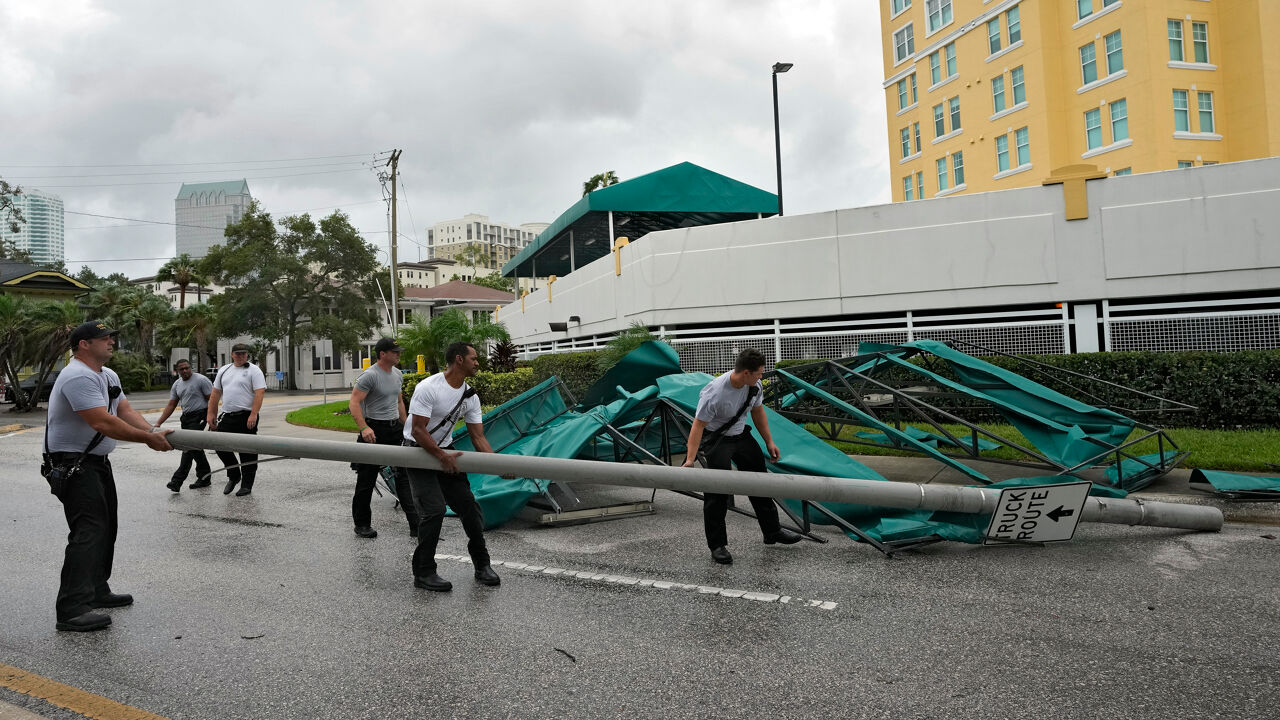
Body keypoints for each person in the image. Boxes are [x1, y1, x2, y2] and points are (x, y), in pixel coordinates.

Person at [45, 320, 173, 632]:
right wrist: (148, 440)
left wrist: (153, 430)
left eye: (111, 338)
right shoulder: (77, 375)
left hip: (96, 462)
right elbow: (102, 422)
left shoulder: (107, 375)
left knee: (106, 527)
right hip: (73, 463)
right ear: (83, 345)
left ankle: (96, 589)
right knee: (89, 530)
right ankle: (72, 608)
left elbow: (124, 411)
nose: (111, 342)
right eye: (104, 339)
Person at [681, 348, 801, 565]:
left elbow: (757, 412)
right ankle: (717, 545)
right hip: (718, 440)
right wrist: (690, 459)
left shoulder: (753, 387)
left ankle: (772, 531)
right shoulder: (715, 393)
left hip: (741, 436)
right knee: (717, 491)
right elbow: (698, 425)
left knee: (760, 483)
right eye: (759, 373)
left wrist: (769, 442)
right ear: (746, 372)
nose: (761, 377)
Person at [402, 341, 500, 592]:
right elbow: (418, 430)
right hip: (418, 453)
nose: (478, 363)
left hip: (444, 452)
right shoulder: (429, 388)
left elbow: (478, 438)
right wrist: (440, 456)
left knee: (469, 506)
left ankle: (482, 565)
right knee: (434, 510)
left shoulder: (470, 396)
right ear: (459, 359)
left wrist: (500, 466)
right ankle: (424, 572)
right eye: (474, 358)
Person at [347, 337, 414, 539]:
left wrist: (407, 427)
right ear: (382, 354)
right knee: (366, 481)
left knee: (403, 478)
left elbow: (399, 402)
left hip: (394, 430)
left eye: (399, 351)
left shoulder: (397, 374)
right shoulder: (370, 376)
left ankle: (416, 525)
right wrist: (364, 427)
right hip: (374, 430)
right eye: (395, 352)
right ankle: (362, 525)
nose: (399, 354)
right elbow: (354, 403)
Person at [206, 343, 266, 497]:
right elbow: (215, 393)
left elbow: (259, 394)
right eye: (238, 353)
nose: (241, 356)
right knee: (219, 444)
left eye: (244, 353)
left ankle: (246, 485)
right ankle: (234, 475)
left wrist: (254, 414)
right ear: (232, 355)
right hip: (228, 415)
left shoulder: (254, 370)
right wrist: (211, 414)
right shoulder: (224, 370)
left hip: (247, 416)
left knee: (247, 451)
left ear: (247, 355)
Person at [154, 359, 213, 492]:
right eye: (182, 369)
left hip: (200, 416)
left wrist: (211, 418)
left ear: (190, 367)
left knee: (188, 445)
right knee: (194, 447)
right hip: (186, 418)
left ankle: (177, 480)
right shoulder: (177, 384)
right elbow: (171, 405)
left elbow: (212, 399)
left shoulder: (201, 380)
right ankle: (205, 477)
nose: (185, 371)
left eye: (187, 368)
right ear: (177, 371)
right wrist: (159, 422)